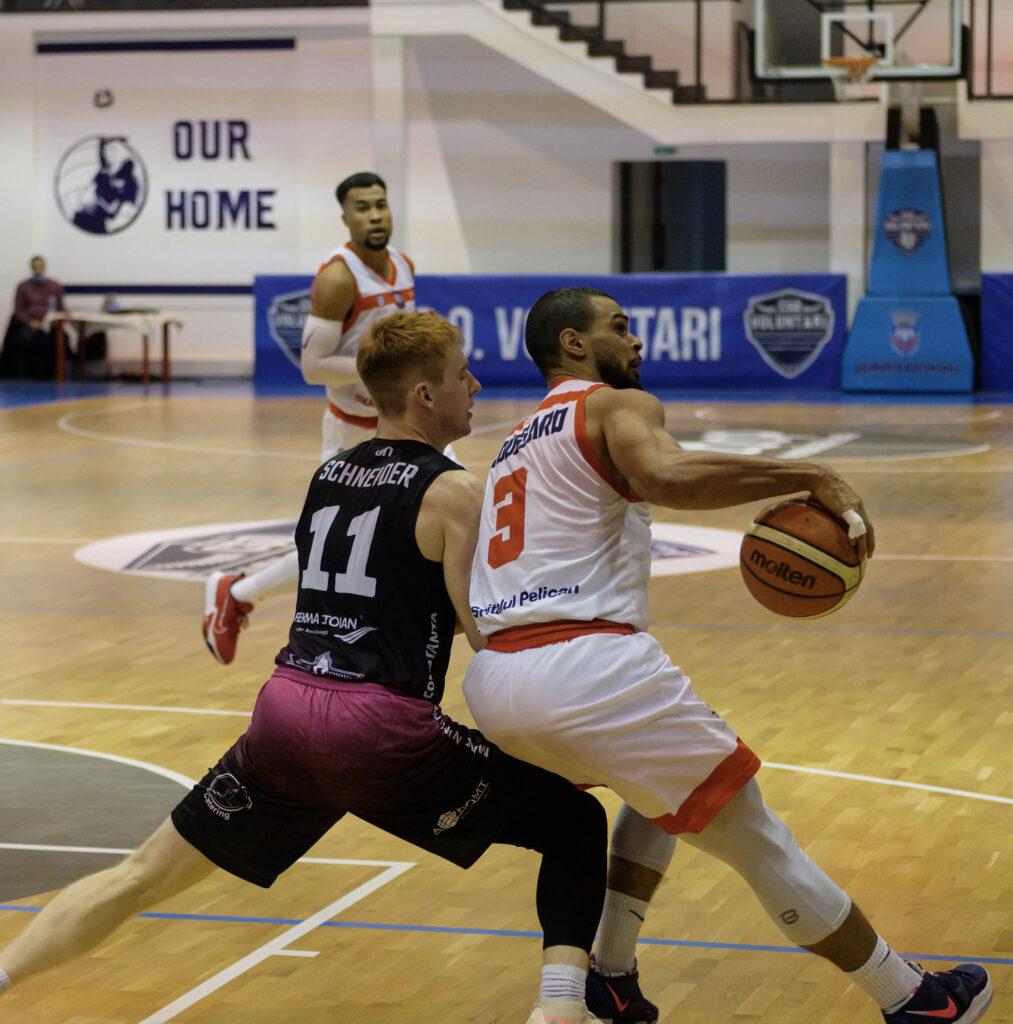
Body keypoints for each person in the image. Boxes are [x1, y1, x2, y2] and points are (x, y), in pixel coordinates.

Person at [0, 310, 608, 1024]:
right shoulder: (454, 492)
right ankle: (561, 1012)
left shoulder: (330, 474)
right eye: (458, 374)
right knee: (573, 822)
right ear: (421, 395)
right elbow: (485, 640)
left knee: (140, 875)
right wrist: (560, 731)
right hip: (375, 729)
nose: (473, 383)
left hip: (284, 715)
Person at [462, 286, 994, 1024]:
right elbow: (665, 477)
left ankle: (610, 974)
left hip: (495, 682)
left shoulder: (511, 443)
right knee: (757, 839)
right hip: (583, 667)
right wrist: (805, 476)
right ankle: (911, 999)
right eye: (619, 327)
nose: (636, 341)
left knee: (656, 789)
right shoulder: (616, 409)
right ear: (574, 345)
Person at [202, 170, 437, 666]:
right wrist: (386, 369)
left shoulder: (404, 265)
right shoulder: (337, 278)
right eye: (363, 207)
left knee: (454, 506)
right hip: (351, 428)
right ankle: (238, 593)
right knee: (332, 546)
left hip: (406, 425)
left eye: (381, 204)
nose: (375, 214)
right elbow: (312, 368)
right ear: (345, 217)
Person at [1, 256, 64, 380]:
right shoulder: (23, 286)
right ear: (31, 268)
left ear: (44, 267)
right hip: (28, 323)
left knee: (56, 340)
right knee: (25, 338)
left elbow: (61, 309)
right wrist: (29, 322)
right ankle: (28, 374)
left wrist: (49, 322)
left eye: (40, 266)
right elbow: (18, 309)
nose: (38, 269)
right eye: (35, 266)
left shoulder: (55, 286)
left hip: (48, 324)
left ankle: (48, 375)